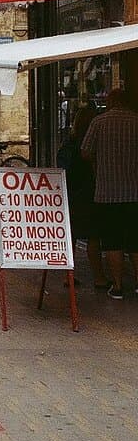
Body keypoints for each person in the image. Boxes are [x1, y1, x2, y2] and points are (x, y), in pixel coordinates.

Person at [81, 88, 138, 300]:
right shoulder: (136, 121)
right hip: (134, 192)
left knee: (113, 241)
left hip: (107, 192)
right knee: (135, 240)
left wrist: (100, 162)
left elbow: (85, 151)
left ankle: (118, 286)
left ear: (112, 101)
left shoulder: (99, 122)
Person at [57, 103, 105, 289]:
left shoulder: (69, 143)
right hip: (90, 192)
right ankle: (99, 276)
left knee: (72, 235)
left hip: (70, 192)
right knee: (94, 236)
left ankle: (67, 275)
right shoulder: (92, 145)